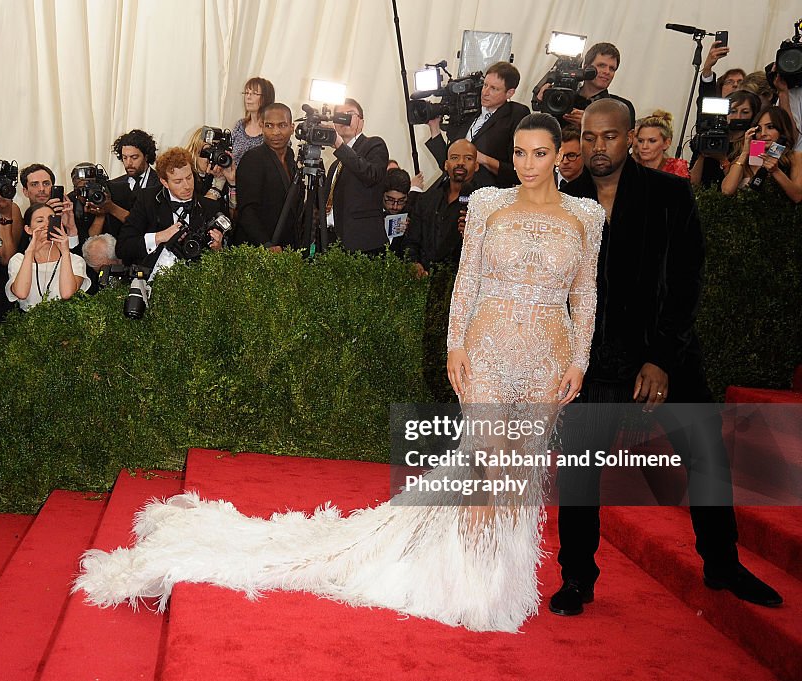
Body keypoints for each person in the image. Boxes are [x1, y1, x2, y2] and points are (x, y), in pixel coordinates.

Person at [73, 113, 605, 633]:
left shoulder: (586, 216)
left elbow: (585, 295)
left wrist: (578, 361)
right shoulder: (489, 202)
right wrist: (455, 349)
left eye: (540, 153)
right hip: (487, 351)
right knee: (487, 467)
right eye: (519, 152)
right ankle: (471, 584)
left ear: (560, 155)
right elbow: (466, 286)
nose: (528, 164)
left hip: (546, 360)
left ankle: (503, 584)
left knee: (519, 475)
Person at [551, 98, 783, 616]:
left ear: (630, 136)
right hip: (593, 364)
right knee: (580, 473)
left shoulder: (670, 195)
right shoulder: (565, 201)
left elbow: (685, 283)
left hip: (666, 355)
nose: (598, 147)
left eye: (609, 137)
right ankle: (576, 577)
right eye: (589, 138)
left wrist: (659, 358)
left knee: (706, 460)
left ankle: (722, 565)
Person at [117, 147, 225, 281]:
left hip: (196, 284)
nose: (187, 186)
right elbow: (123, 247)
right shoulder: (147, 200)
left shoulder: (210, 207)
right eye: (178, 181)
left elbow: (225, 260)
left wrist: (218, 248)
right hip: (150, 281)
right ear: (164, 182)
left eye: (189, 177)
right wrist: (160, 237)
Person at [426, 62, 529, 188]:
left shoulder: (516, 115)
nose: (485, 92)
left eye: (494, 88)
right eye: (485, 85)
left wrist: (482, 159)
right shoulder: (469, 111)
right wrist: (434, 127)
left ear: (510, 93)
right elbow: (446, 164)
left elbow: (516, 172)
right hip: (450, 187)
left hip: (486, 193)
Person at [399, 138, 479, 276]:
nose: (460, 162)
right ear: (446, 165)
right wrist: (414, 263)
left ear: (476, 165)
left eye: (468, 158)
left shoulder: (485, 205)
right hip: (425, 281)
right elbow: (411, 241)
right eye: (454, 158)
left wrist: (474, 235)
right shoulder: (426, 199)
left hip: (460, 284)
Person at [326, 98, 390, 253]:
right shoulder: (335, 165)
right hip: (335, 241)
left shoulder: (374, 145)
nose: (344, 119)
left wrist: (339, 145)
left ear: (361, 122)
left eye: (349, 114)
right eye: (339, 116)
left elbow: (371, 175)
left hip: (364, 242)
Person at [232, 103, 297, 248]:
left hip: (285, 246)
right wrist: (266, 244)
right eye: (269, 126)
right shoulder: (253, 158)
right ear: (261, 126)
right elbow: (246, 210)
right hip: (256, 248)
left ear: (292, 128)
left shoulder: (292, 158)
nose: (275, 132)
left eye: (282, 125)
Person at [6, 203, 91, 311]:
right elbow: (21, 293)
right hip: (28, 324)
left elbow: (67, 294)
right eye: (40, 221)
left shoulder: (74, 260)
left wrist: (65, 252)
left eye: (51, 219)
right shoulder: (18, 260)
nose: (46, 225)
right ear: (28, 229)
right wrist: (30, 252)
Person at [721, 106, 802, 203]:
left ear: (782, 131)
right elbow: (727, 191)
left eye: (770, 127)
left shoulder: (795, 157)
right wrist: (745, 153)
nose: (763, 133)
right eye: (758, 129)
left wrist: (776, 171)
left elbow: (798, 196)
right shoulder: (742, 159)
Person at [689, 90, 760, 187]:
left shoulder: (757, 144)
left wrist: (723, 160)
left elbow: (746, 187)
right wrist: (702, 154)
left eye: (745, 112)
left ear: (754, 114)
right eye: (733, 111)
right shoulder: (710, 136)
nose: (738, 117)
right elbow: (693, 183)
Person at [561, 42, 636, 129]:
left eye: (612, 68)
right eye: (601, 65)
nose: (607, 72)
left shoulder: (622, 107)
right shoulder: (563, 98)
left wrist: (590, 124)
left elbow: (626, 141)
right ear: (586, 67)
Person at [107, 129, 160, 223]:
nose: (129, 163)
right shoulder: (114, 184)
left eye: (134, 157)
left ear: (146, 156)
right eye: (124, 158)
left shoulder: (161, 183)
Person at [231, 77, 275, 167]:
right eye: (247, 93)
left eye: (254, 93)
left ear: (266, 98)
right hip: (232, 179)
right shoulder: (240, 125)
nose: (248, 97)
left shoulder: (274, 130)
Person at [633, 110, 689, 178]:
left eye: (652, 141)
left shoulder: (676, 167)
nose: (644, 146)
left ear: (666, 143)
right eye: (640, 141)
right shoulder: (631, 167)